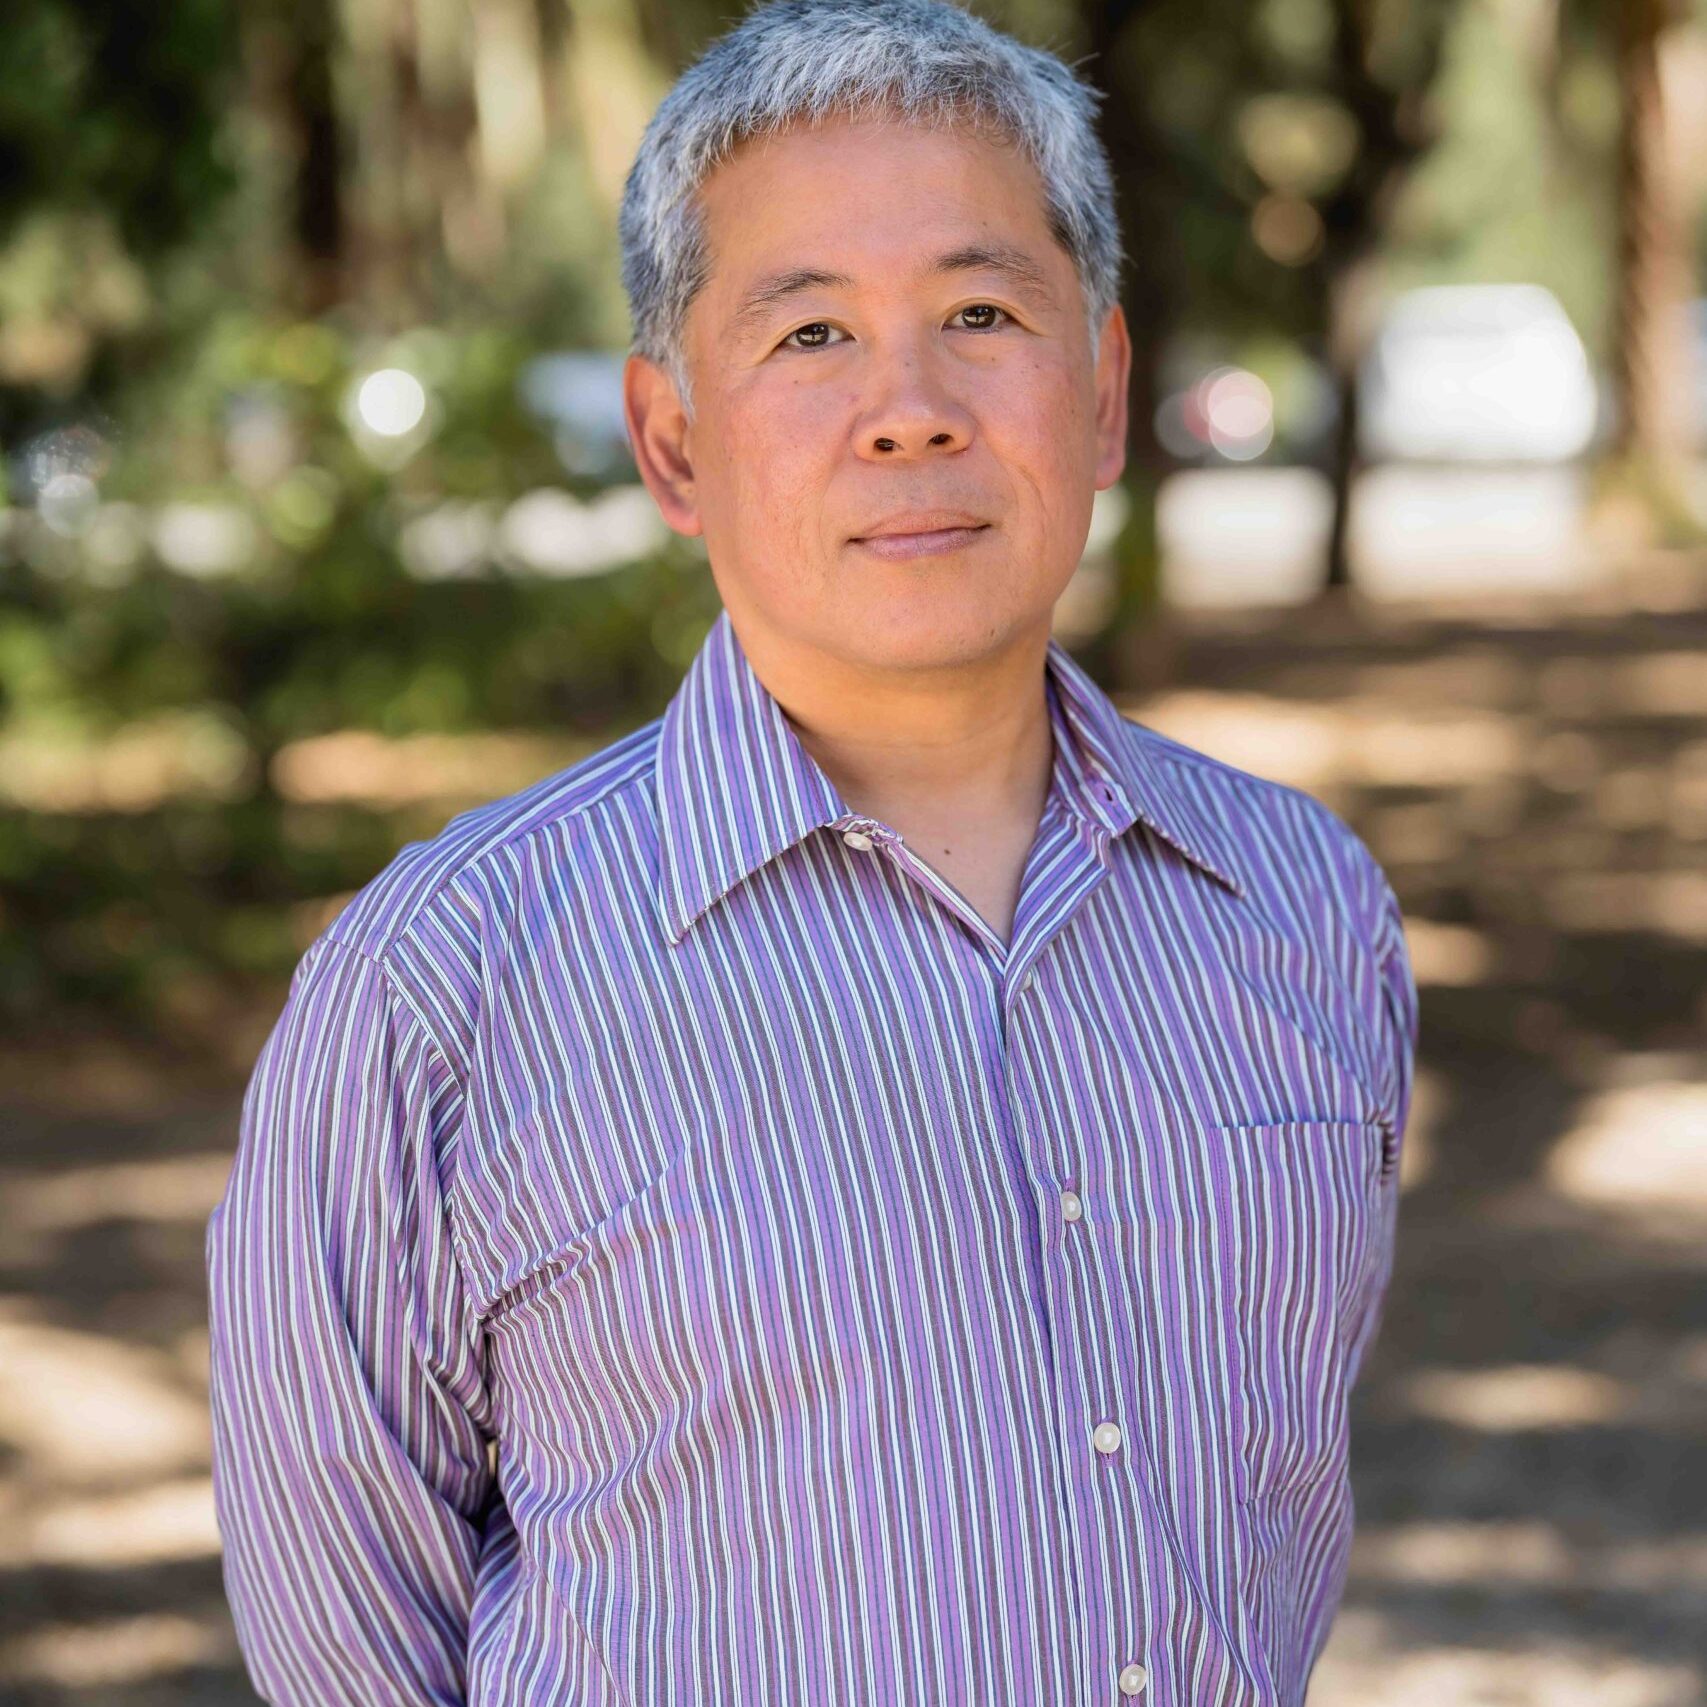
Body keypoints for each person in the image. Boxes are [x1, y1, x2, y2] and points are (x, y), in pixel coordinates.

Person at [204, 0, 1420, 1701]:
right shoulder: (441, 990)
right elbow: (349, 1639)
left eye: (982, 312)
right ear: (673, 442)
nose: (909, 409)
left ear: (1105, 388)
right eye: (808, 337)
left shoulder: (1303, 912)